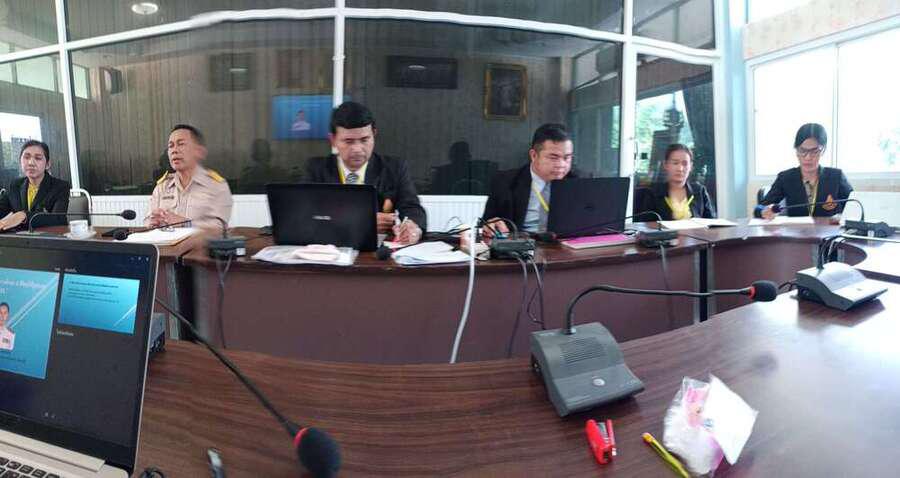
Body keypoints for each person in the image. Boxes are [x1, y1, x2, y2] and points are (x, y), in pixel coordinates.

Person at [305, 101, 426, 244]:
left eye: (364, 140)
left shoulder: (394, 168)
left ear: (374, 134)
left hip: (376, 251)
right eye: (348, 141)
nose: (357, 149)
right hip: (329, 247)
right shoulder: (317, 170)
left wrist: (413, 228)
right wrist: (362, 222)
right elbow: (306, 215)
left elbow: (412, 208)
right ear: (333, 140)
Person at [481, 123, 576, 236]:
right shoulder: (505, 182)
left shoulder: (578, 182)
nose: (561, 165)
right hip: (522, 242)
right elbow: (487, 223)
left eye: (567, 158)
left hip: (563, 243)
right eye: (553, 158)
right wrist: (491, 224)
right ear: (534, 155)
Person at [756, 123, 852, 219]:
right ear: (796, 151)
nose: (808, 157)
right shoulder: (785, 178)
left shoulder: (836, 177)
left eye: (814, 151)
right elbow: (759, 208)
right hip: (796, 229)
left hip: (828, 229)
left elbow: (856, 205)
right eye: (802, 151)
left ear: (823, 150)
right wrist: (764, 211)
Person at [146, 124, 233, 230]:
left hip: (200, 241)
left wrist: (186, 224)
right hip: (166, 240)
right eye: (171, 146)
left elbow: (219, 228)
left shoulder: (216, 186)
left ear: (199, 151)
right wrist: (153, 223)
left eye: (181, 144)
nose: (174, 150)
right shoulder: (162, 187)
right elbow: (148, 220)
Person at [0, 140, 71, 231]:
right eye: (26, 157)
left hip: (48, 237)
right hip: (20, 237)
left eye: (38, 158)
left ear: (47, 164)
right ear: (20, 161)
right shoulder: (14, 185)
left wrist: (24, 216)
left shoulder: (60, 187)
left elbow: (58, 219)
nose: (31, 163)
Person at [637, 144, 716, 221]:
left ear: (691, 167)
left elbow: (712, 222)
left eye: (685, 164)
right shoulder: (653, 193)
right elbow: (645, 224)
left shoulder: (700, 191)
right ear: (666, 165)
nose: (680, 169)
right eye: (675, 163)